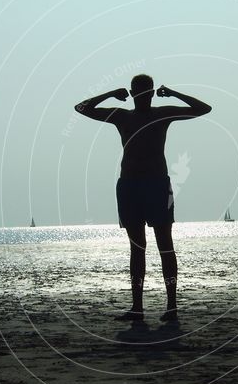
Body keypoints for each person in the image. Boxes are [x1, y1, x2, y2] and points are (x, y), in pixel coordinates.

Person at [74, 73, 212, 322]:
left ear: (149, 93)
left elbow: (204, 108)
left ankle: (171, 306)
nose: (141, 95)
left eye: (144, 91)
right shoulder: (121, 116)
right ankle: (137, 307)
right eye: (137, 91)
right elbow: (81, 108)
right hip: (130, 185)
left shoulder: (161, 114)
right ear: (134, 93)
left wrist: (173, 93)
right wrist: (110, 94)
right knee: (137, 247)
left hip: (157, 184)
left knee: (164, 245)